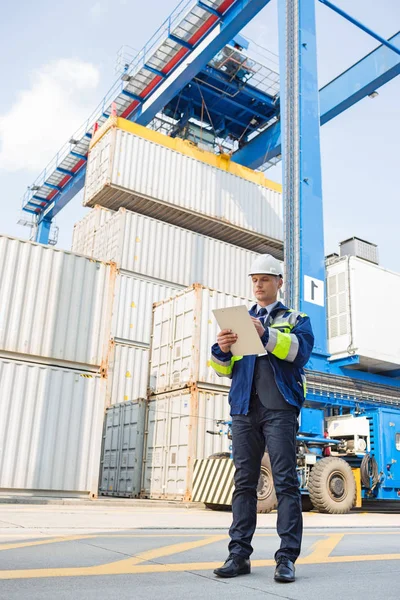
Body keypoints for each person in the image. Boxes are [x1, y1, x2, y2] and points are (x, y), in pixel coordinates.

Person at [210, 254, 314, 583]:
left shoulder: (297, 317)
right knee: (243, 484)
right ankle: (238, 555)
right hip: (243, 408)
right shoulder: (238, 319)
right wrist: (221, 350)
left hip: (279, 408)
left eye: (265, 279)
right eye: (255, 279)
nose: (258, 284)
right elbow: (226, 370)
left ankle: (286, 559)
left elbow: (300, 353)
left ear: (279, 283)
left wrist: (265, 334)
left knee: (285, 483)